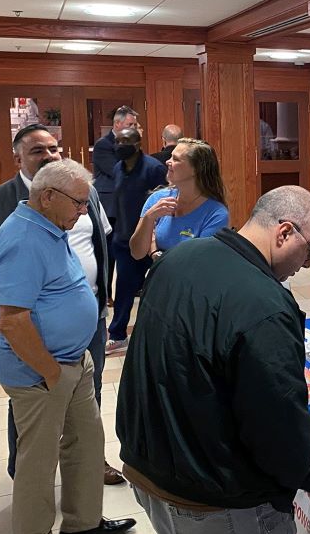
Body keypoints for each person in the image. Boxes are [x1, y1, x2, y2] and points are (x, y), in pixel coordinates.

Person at [116, 186, 310, 534]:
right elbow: (274, 422)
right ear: (284, 233)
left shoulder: (179, 260)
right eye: (309, 252)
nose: (305, 266)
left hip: (152, 471)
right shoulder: (264, 303)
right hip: (216, 499)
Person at [0, 160, 135, 534]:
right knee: (38, 459)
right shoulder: (22, 238)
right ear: (47, 196)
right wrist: (51, 372)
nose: (84, 212)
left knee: (86, 444)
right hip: (40, 372)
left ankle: (82, 524)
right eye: (78, 203)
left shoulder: (51, 226)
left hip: (73, 363)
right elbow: (12, 319)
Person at [0, 124, 120, 485]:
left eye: (54, 148)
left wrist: (101, 292)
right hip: (36, 321)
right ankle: (25, 468)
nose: (49, 155)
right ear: (17, 158)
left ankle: (91, 462)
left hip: (89, 315)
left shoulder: (83, 192)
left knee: (88, 397)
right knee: (32, 398)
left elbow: (102, 243)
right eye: (37, 151)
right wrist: (16, 284)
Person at [103, 127, 167, 357]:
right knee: (124, 290)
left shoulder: (154, 169)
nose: (121, 144)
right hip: (123, 241)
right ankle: (118, 335)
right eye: (118, 140)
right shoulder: (118, 168)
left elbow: (166, 201)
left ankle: (157, 335)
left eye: (126, 140)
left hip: (151, 242)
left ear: (139, 143)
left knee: (156, 291)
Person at [129, 138, 229, 261]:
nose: (167, 162)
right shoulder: (157, 199)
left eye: (175, 159)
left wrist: (160, 257)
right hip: (159, 277)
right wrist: (149, 218)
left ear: (196, 169)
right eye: (170, 157)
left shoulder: (216, 214)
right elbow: (136, 252)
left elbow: (200, 261)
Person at [93, 105, 138, 300]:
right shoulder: (104, 144)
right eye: (130, 124)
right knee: (109, 253)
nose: (134, 128)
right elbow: (118, 170)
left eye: (135, 125)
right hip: (110, 206)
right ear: (117, 124)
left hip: (128, 204)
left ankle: (132, 287)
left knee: (129, 250)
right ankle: (106, 294)